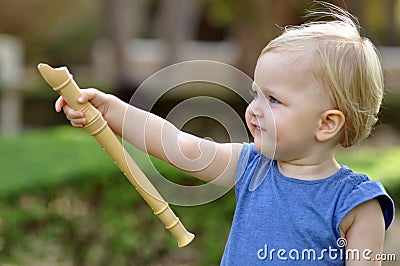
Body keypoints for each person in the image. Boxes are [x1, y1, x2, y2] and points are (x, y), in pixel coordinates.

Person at [55, 3, 394, 265]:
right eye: (256, 94)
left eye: (273, 100)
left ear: (326, 124)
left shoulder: (357, 204)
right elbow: (179, 145)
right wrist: (112, 111)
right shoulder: (251, 166)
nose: (254, 109)